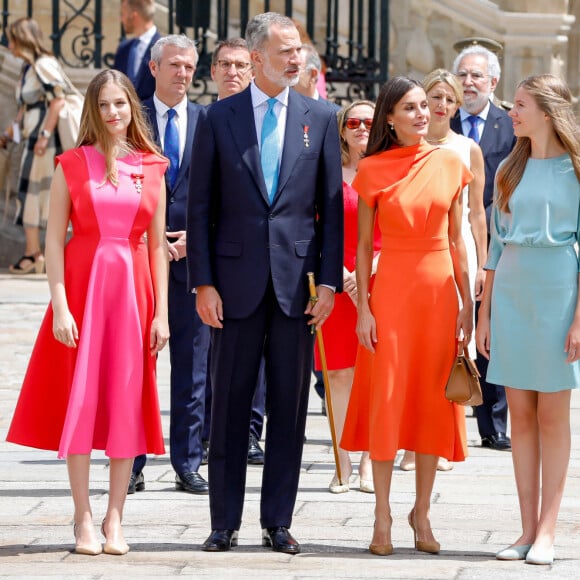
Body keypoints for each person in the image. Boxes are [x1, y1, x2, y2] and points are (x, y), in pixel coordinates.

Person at [187, 12, 343, 554]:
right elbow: (202, 207)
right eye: (285, 51)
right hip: (232, 287)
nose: (296, 59)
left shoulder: (321, 116)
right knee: (228, 407)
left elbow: (329, 210)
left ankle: (277, 520)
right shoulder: (218, 118)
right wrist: (202, 284)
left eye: (299, 50)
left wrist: (328, 284)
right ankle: (223, 522)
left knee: (290, 406)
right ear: (256, 59)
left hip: (296, 289)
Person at [6, 68, 169, 556]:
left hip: (134, 296)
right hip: (81, 291)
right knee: (78, 404)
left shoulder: (154, 167)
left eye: (120, 104)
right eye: (104, 106)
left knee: (124, 404)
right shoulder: (70, 164)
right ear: (93, 112)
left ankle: (114, 518)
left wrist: (162, 312)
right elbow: (54, 240)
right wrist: (58, 304)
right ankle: (82, 518)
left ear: (131, 108)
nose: (113, 113)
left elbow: (158, 246)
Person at [341, 76, 473, 556]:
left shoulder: (452, 163)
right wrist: (363, 312)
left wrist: (468, 304)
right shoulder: (372, 169)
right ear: (390, 120)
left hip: (438, 293)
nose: (422, 114)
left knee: (427, 403)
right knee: (388, 399)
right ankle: (382, 515)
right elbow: (359, 248)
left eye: (425, 106)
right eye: (410, 108)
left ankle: (422, 512)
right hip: (391, 291)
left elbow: (458, 239)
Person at [476, 74, 580, 566]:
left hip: (559, 291)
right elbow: (496, 246)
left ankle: (548, 532)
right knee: (519, 415)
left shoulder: (577, 169)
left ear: (545, 110)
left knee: (553, 416)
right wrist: (485, 314)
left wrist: (579, 319)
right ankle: (523, 530)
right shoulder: (506, 170)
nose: (510, 113)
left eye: (518, 106)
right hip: (513, 294)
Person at [128, 35, 209, 496]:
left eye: (189, 66)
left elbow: (220, 193)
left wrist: (193, 241)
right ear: (155, 68)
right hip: (140, 260)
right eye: (174, 65)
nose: (182, 73)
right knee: (138, 366)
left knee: (193, 367)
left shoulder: (208, 121)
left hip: (193, 263)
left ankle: (187, 461)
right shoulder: (131, 120)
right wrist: (154, 239)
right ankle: (133, 460)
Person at [399, 68, 487, 473]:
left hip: (458, 249)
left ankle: (444, 433)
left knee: (454, 347)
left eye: (449, 99)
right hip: (414, 251)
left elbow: (477, 213)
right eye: (435, 97)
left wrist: (482, 262)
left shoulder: (467, 148)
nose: (441, 105)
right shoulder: (408, 146)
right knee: (416, 347)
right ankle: (412, 437)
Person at [451, 45, 516, 452]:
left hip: (498, 239)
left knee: (492, 326)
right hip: (451, 234)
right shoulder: (442, 119)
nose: (469, 83)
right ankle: (450, 414)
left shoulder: (509, 125)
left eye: (477, 76)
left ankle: (493, 425)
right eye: (464, 75)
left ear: (493, 82)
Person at [206, 37, 266, 465]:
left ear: (253, 69)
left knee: (259, 359)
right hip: (210, 257)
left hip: (260, 261)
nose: (232, 72)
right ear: (213, 72)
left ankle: (250, 431)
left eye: (240, 65)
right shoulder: (208, 118)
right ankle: (211, 433)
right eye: (224, 64)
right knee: (209, 358)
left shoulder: (267, 120)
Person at [314, 100, 377, 494]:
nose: (360, 128)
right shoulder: (327, 175)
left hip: (380, 280)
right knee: (337, 373)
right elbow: (315, 228)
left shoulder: (390, 171)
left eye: (368, 122)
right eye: (352, 122)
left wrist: (370, 273)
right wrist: (339, 273)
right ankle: (342, 461)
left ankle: (369, 462)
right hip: (336, 279)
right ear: (342, 130)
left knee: (370, 373)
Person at [1, 18, 66, 275]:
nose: (10, 46)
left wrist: (44, 135)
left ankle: (35, 254)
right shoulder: (28, 69)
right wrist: (9, 133)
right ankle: (35, 253)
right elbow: (24, 108)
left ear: (24, 39)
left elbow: (58, 100)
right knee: (30, 194)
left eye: (13, 40)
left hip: (44, 144)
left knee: (37, 196)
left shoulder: (44, 65)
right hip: (32, 140)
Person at [113, 0, 160, 101]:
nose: (121, 20)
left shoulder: (164, 48)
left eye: (123, 14)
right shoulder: (123, 49)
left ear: (134, 16)